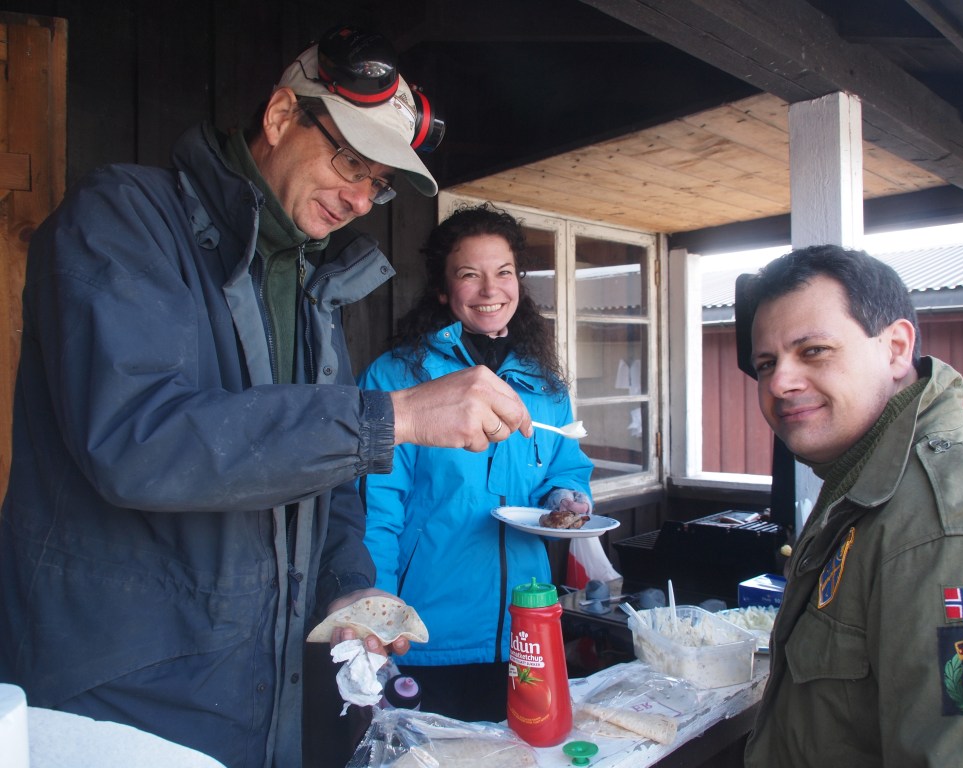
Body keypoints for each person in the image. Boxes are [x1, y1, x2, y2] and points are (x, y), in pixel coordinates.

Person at [0, 25, 532, 768]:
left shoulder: (314, 292)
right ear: (281, 117)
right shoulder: (123, 217)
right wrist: (398, 415)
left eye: (378, 183)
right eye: (350, 160)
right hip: (119, 705)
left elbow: (335, 484)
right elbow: (135, 439)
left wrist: (349, 590)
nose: (359, 197)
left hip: (265, 696)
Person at [739, 244, 963, 767]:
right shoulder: (870, 471)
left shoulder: (945, 528)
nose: (780, 381)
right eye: (766, 363)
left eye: (814, 350)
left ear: (895, 348)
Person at [358, 203, 594, 721]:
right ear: (444, 290)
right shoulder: (398, 377)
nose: (491, 290)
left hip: (527, 622)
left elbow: (565, 465)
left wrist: (567, 496)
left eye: (503, 272)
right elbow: (377, 507)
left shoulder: (543, 381)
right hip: (425, 628)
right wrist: (379, 612)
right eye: (470, 275)